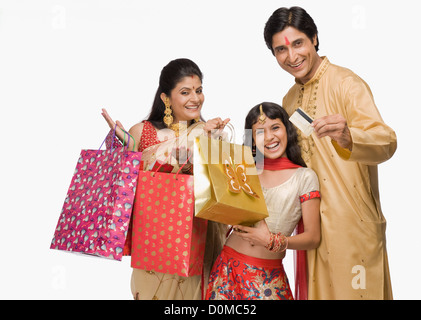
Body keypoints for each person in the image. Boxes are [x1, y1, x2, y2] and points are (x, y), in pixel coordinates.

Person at [263, 6, 397, 299]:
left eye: (298, 43)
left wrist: (349, 136)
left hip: (352, 226)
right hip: (312, 230)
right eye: (280, 49)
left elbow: (387, 142)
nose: (292, 56)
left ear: (314, 38)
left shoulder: (346, 84)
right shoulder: (289, 99)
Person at [102, 58, 229, 300]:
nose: (195, 98)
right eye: (185, 92)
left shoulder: (210, 131)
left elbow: (220, 188)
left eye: (199, 90)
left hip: (198, 239)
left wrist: (212, 140)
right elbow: (127, 186)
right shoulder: (143, 131)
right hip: (155, 241)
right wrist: (126, 146)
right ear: (166, 98)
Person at [206, 102, 321, 300]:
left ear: (287, 129)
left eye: (275, 127)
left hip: (268, 281)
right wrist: (212, 140)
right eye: (259, 132)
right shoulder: (246, 169)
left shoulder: (304, 177)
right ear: (252, 140)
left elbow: (313, 237)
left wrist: (272, 241)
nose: (269, 137)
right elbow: (212, 189)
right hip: (226, 271)